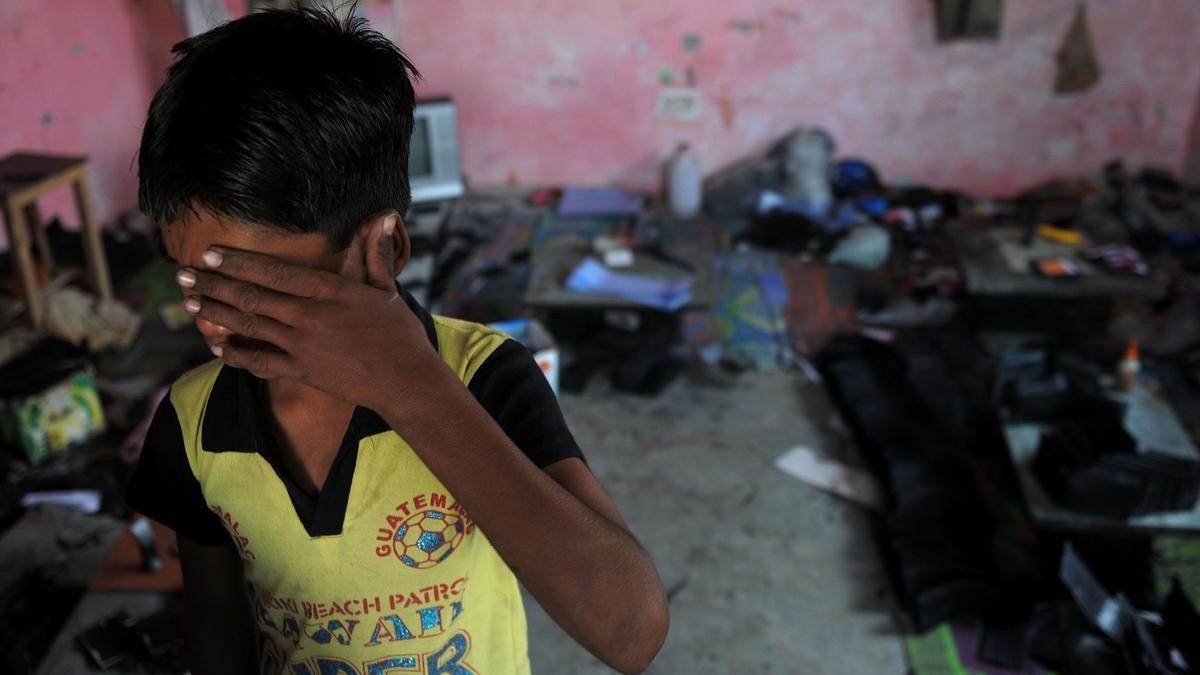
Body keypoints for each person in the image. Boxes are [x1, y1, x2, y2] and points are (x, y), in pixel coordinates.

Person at [125, 8, 668, 675]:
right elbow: (216, 628)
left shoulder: (483, 377)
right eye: (198, 287)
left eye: (257, 290)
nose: (216, 325)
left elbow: (631, 629)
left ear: (384, 249)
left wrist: (407, 384)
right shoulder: (194, 428)